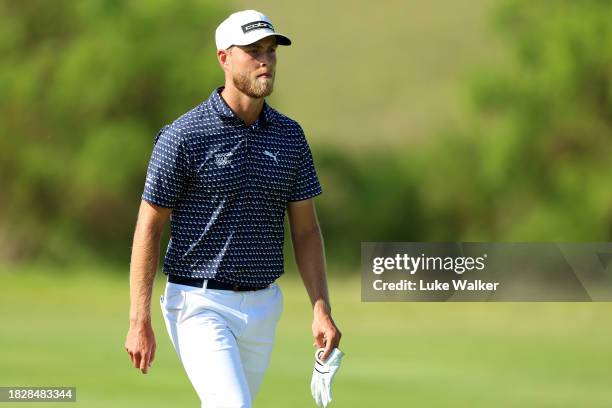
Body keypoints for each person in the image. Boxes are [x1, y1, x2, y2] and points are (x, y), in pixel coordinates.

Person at [124, 9, 342, 407]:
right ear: (224, 57)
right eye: (253, 50)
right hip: (199, 302)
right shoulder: (183, 136)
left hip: (263, 308)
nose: (266, 60)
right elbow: (148, 227)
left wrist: (321, 308)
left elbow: (306, 231)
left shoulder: (290, 136)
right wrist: (139, 320)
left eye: (271, 51)